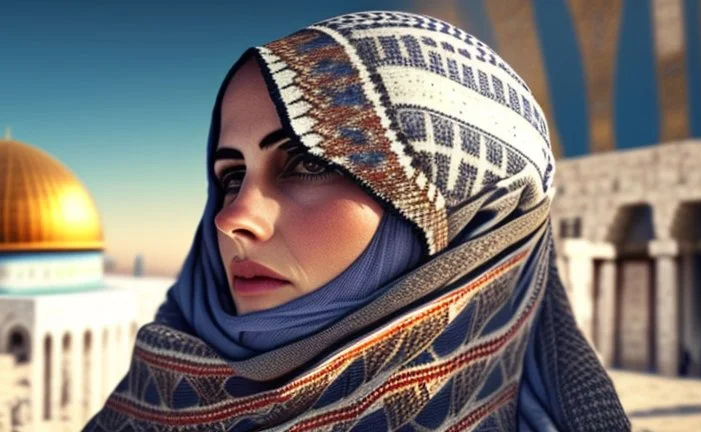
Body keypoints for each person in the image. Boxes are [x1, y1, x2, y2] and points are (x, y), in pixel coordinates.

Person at [85, 11, 629, 431]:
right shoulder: (153, 396)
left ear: (464, 213)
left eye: (307, 164)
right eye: (231, 176)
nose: (232, 220)